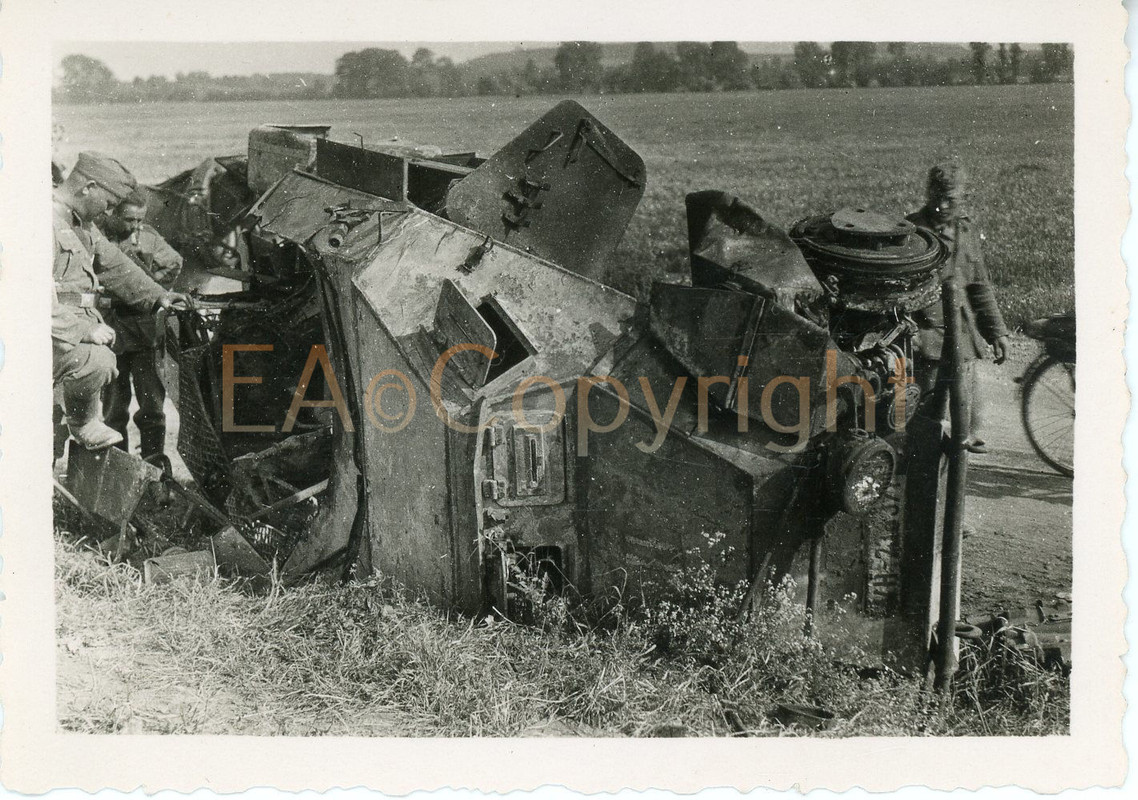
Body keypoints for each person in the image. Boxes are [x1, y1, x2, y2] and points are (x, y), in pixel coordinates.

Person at [53, 152, 189, 452]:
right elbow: (29, 293)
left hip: (72, 334)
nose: (107, 211)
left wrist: (159, 296)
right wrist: (81, 331)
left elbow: (115, 265)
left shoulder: (82, 224)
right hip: (55, 335)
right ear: (88, 187)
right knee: (48, 425)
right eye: (109, 203)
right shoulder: (44, 220)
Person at [907, 162, 1011, 454]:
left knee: (966, 407)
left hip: (961, 335)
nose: (941, 206)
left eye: (950, 199)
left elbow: (979, 286)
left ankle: (961, 444)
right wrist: (910, 330)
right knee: (926, 412)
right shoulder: (912, 233)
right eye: (936, 197)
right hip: (926, 339)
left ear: (962, 197)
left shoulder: (965, 232)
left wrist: (997, 333)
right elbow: (898, 292)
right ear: (928, 193)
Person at [97, 190, 184, 459]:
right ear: (113, 214)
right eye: (129, 219)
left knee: (152, 408)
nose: (135, 226)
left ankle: (154, 465)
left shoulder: (148, 238)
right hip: (111, 331)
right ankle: (118, 465)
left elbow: (174, 262)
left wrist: (151, 286)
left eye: (139, 220)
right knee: (113, 408)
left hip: (145, 333)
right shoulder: (98, 238)